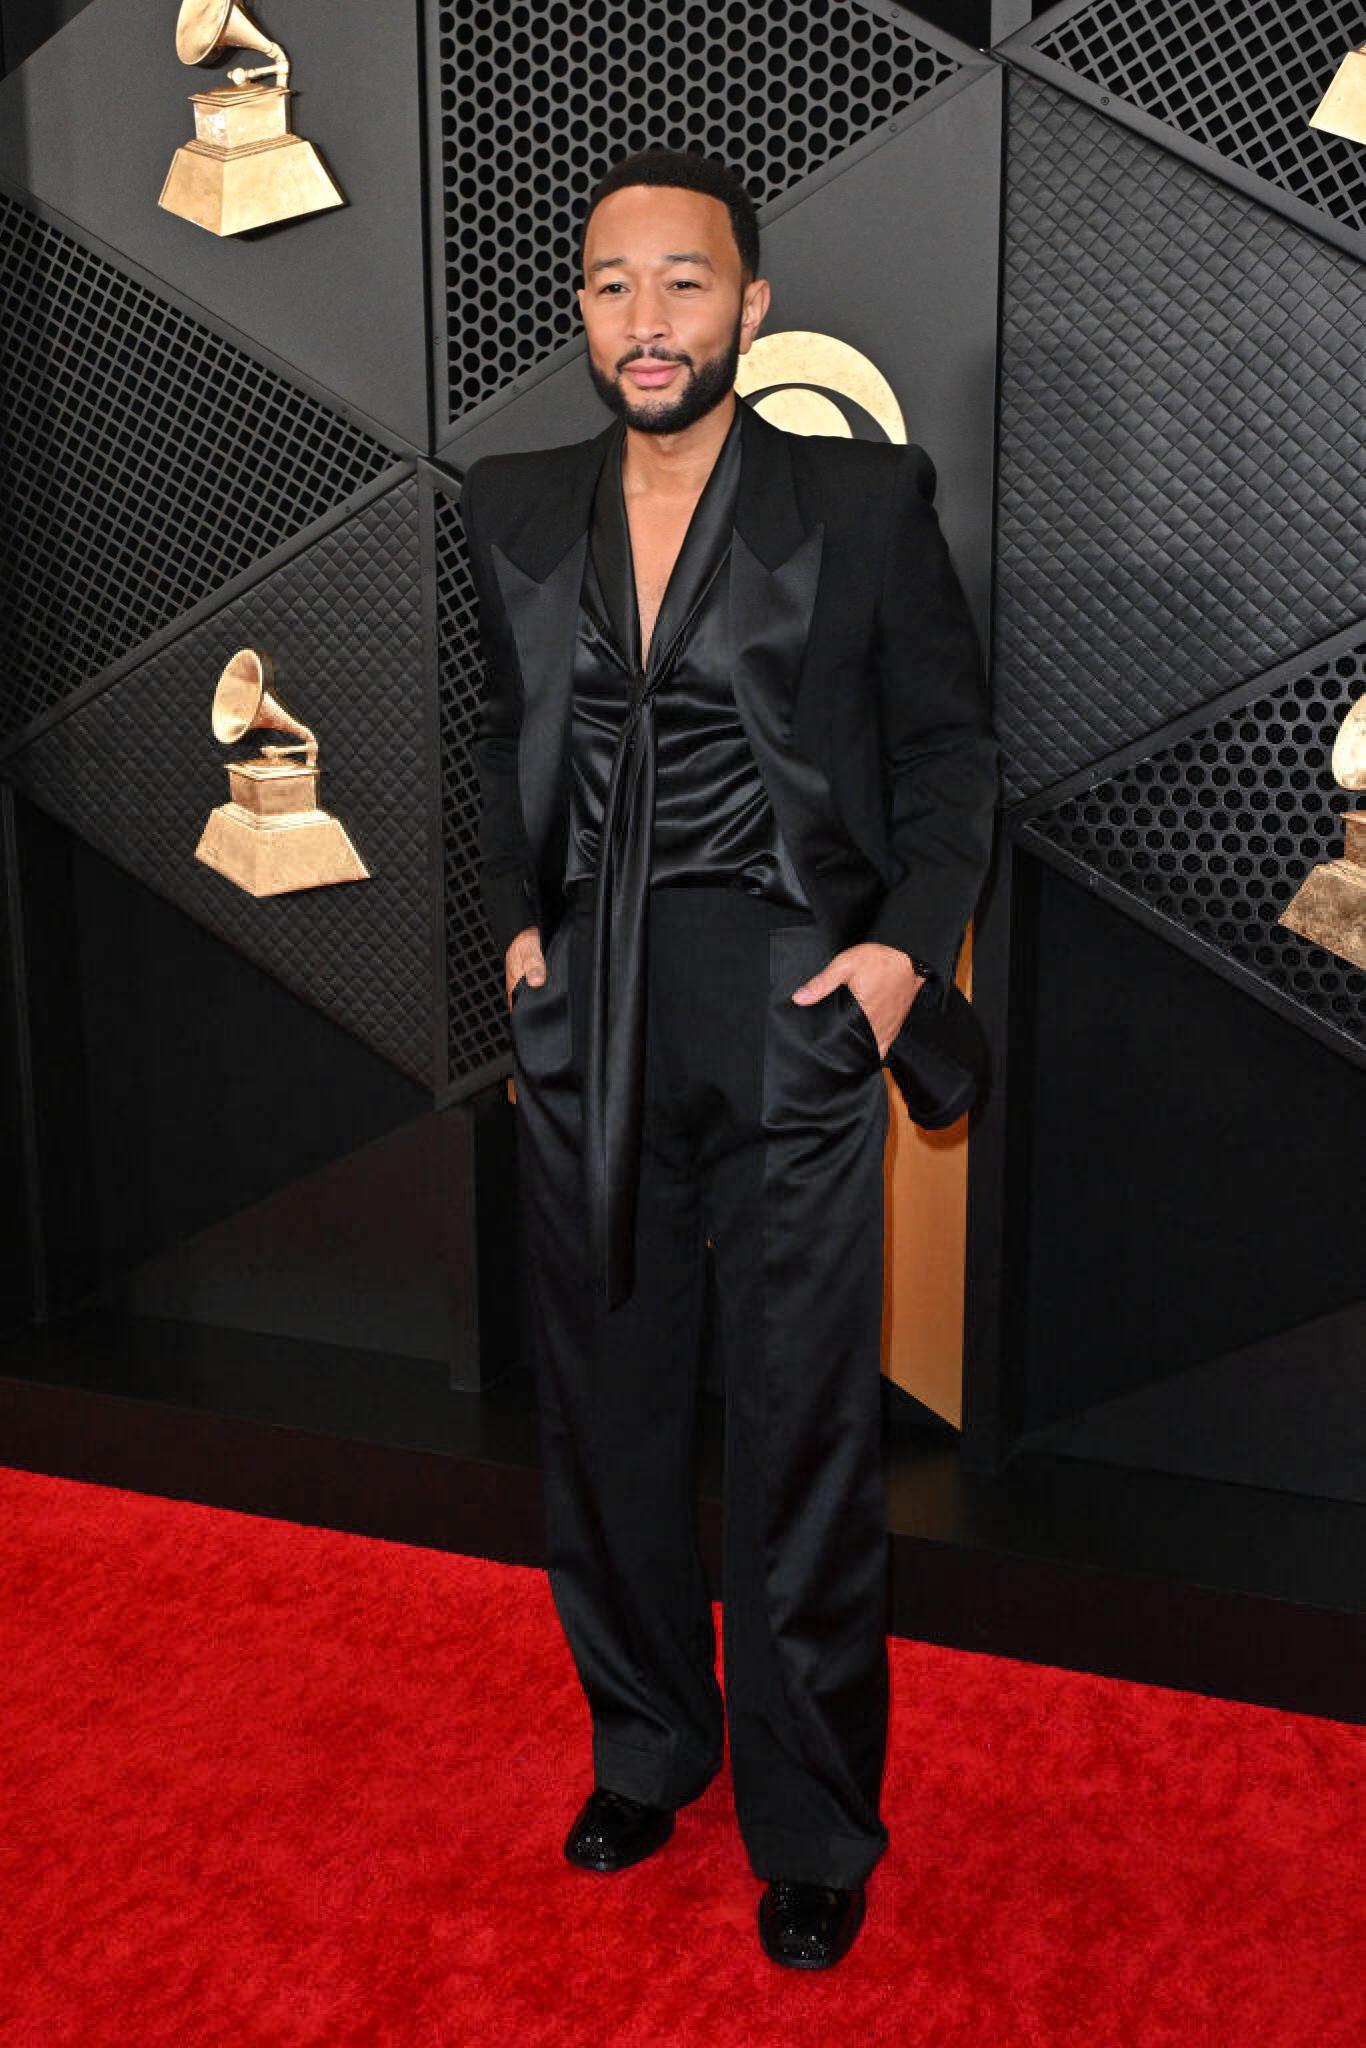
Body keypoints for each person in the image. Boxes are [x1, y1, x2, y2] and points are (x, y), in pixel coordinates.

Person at [459, 147, 998, 1970]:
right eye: (612, 285)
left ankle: (811, 1817)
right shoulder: (514, 502)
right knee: (604, 1417)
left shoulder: (855, 500)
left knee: (796, 1437)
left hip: (784, 999)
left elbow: (947, 760)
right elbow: (497, 741)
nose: (646, 319)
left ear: (749, 308)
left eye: (683, 283)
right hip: (586, 1006)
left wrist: (889, 964)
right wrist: (514, 924)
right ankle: (645, 1745)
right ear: (584, 316)